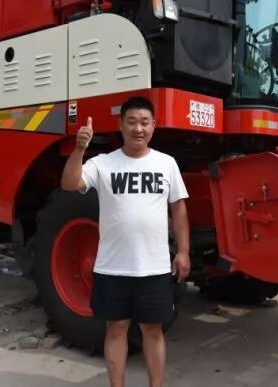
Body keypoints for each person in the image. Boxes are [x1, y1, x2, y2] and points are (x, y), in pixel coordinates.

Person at [61, 96, 190, 387]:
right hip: (112, 268)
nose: (138, 129)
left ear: (154, 125)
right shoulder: (103, 163)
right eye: (131, 122)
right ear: (120, 125)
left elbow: (179, 209)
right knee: (116, 329)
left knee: (153, 330)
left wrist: (183, 251)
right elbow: (69, 183)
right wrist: (79, 149)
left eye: (144, 122)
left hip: (155, 268)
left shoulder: (166, 164)